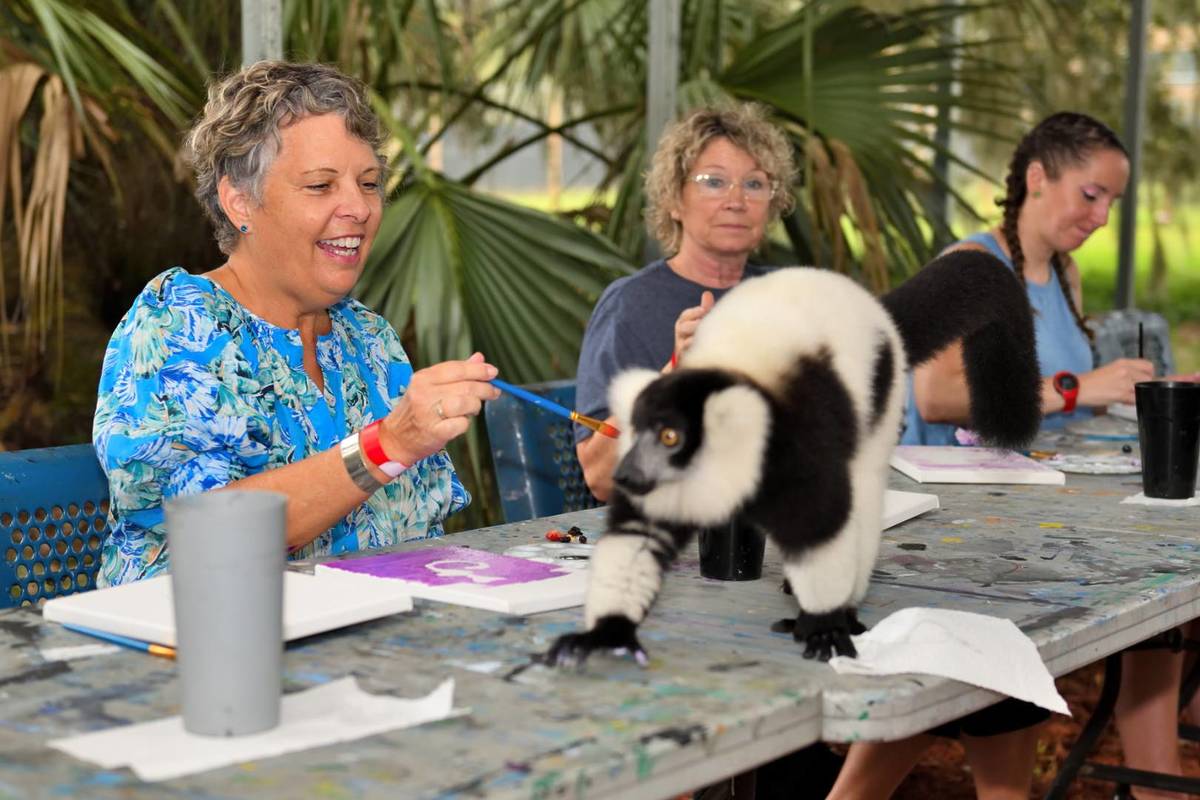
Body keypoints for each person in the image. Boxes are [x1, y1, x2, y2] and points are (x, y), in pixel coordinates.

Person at [832, 111, 1186, 800]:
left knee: (1159, 611)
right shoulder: (969, 268)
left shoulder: (1063, 276)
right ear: (1036, 178)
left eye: (1113, 202)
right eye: (1091, 194)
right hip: (952, 538)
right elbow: (935, 396)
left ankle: (1157, 776)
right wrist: (1078, 387)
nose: (1103, 216)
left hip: (1026, 526)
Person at [92, 61, 499, 587]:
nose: (358, 207)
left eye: (369, 182)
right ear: (240, 200)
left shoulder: (369, 339)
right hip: (199, 645)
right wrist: (388, 444)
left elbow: (421, 534)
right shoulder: (179, 322)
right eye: (320, 185)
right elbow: (210, 532)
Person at [574, 103, 796, 501]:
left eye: (755, 184)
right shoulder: (630, 307)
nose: (736, 200)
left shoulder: (786, 299)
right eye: (714, 181)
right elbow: (601, 476)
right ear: (674, 200)